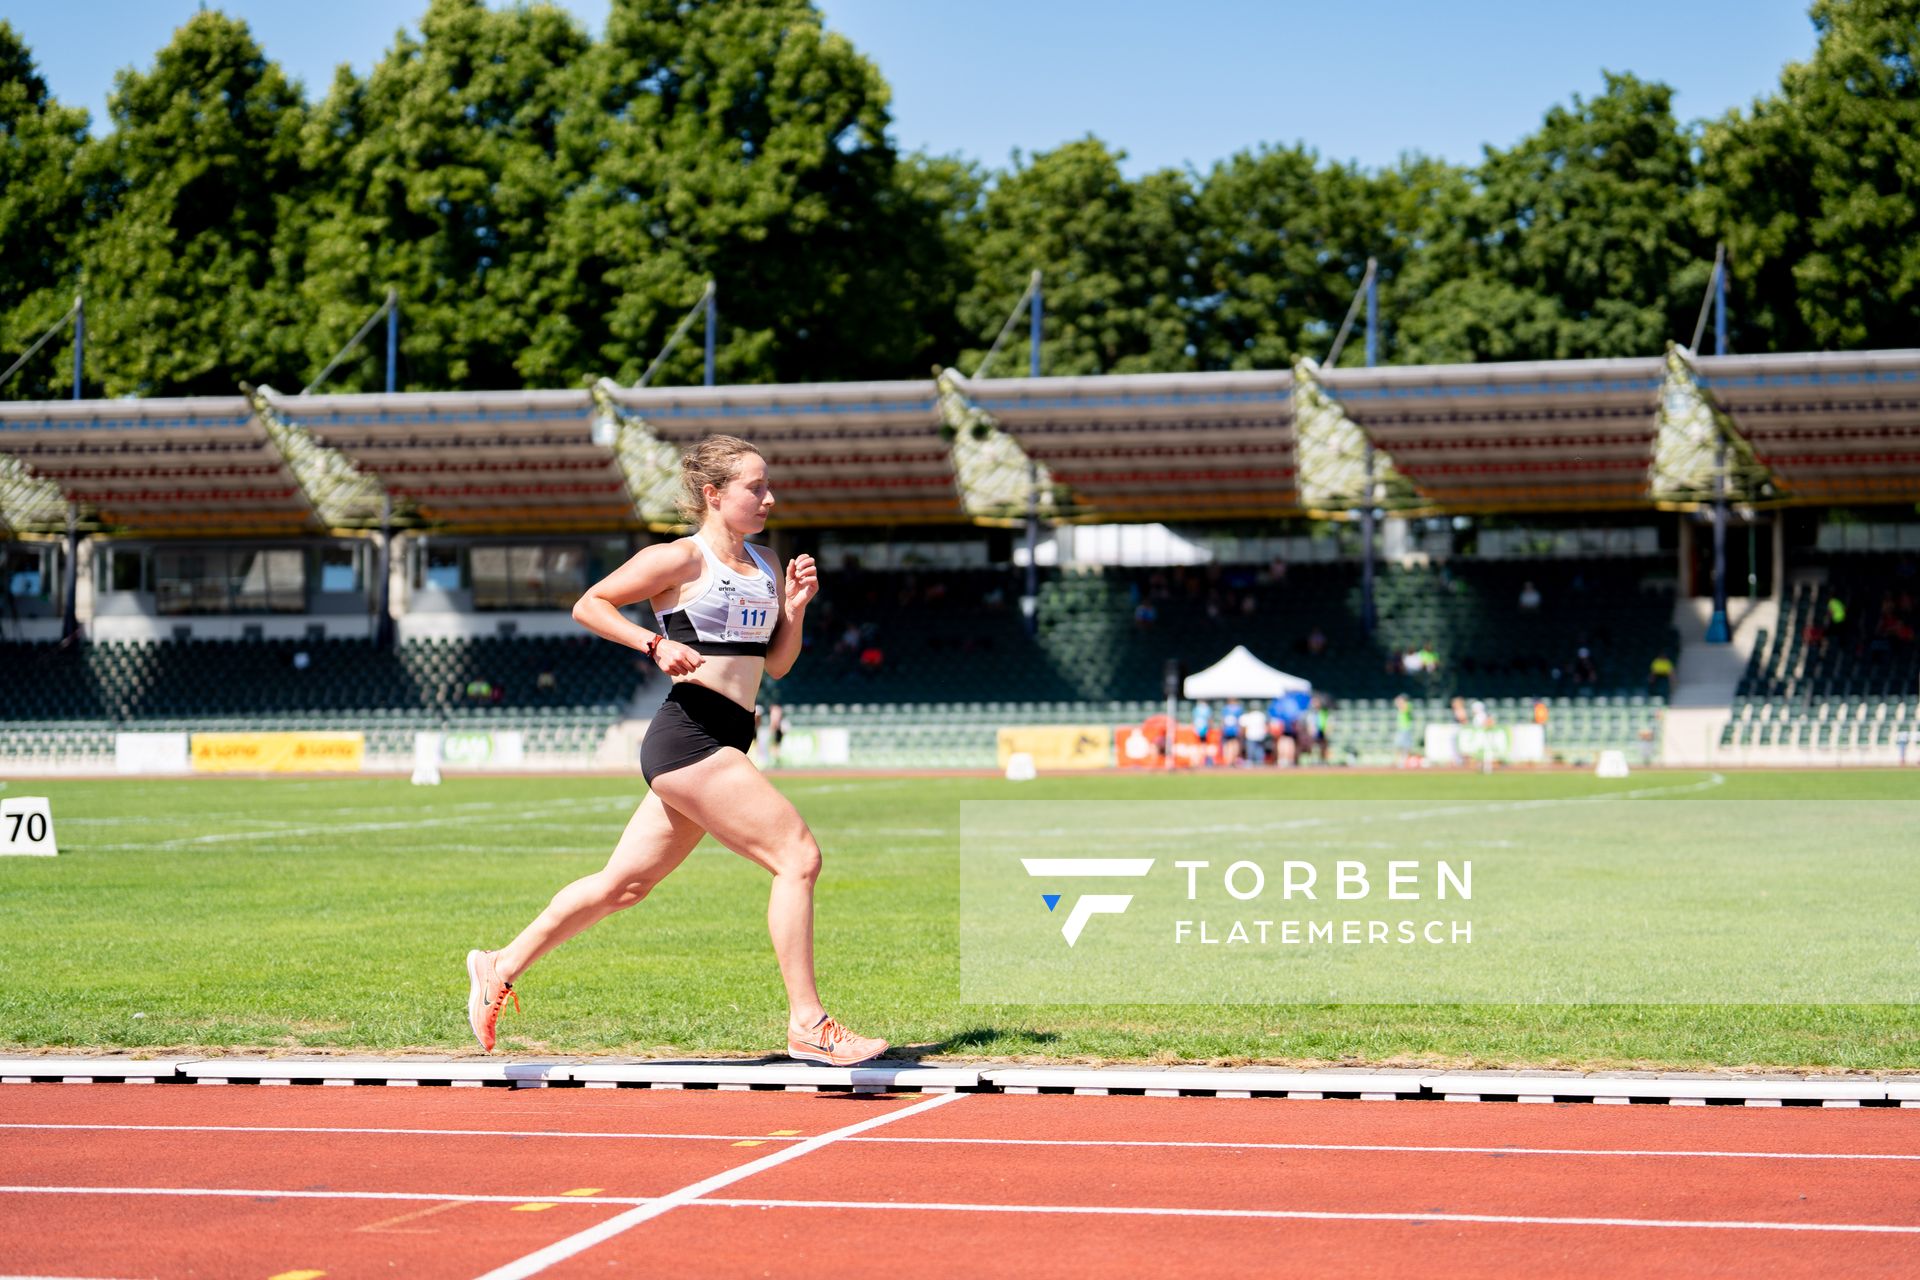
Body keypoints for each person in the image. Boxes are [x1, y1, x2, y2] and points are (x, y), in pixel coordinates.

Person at [463, 435, 886, 1067]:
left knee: (623, 886)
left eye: (769, 487)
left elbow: (778, 664)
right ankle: (809, 1023)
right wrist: (652, 646)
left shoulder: (768, 564)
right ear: (714, 495)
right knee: (797, 857)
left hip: (728, 733)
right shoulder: (680, 560)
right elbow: (589, 604)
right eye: (755, 487)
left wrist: (795, 611)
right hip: (688, 736)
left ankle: (500, 965)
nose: (770, 498)